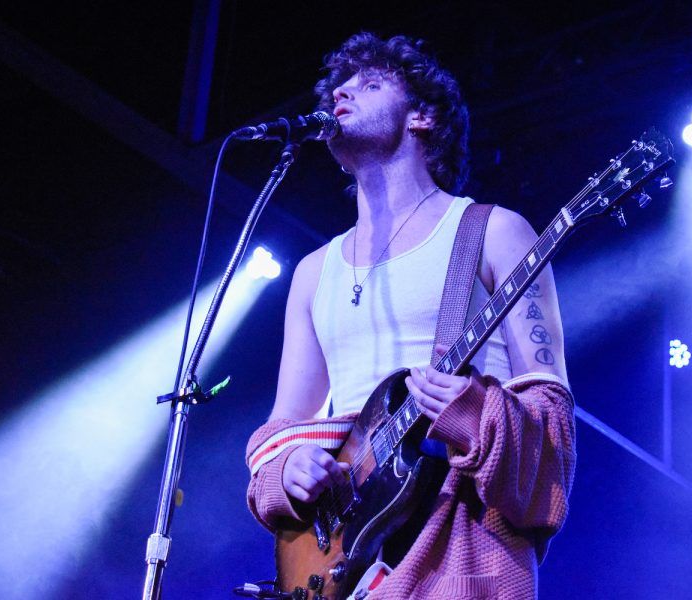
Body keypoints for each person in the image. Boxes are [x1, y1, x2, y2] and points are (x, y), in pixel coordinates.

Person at [246, 32, 576, 598]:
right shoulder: (312, 271)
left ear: (421, 116)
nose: (342, 95)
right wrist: (288, 468)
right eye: (338, 88)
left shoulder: (493, 232)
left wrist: (473, 411)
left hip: (460, 546)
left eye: (369, 84)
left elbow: (554, 437)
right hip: (342, 562)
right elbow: (283, 428)